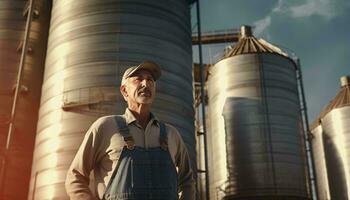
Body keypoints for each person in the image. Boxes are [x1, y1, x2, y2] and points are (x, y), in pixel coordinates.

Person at [65, 61, 195, 200]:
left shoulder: (171, 134)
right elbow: (75, 176)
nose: (146, 84)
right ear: (124, 91)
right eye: (138, 79)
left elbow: (187, 181)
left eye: (150, 80)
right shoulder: (105, 127)